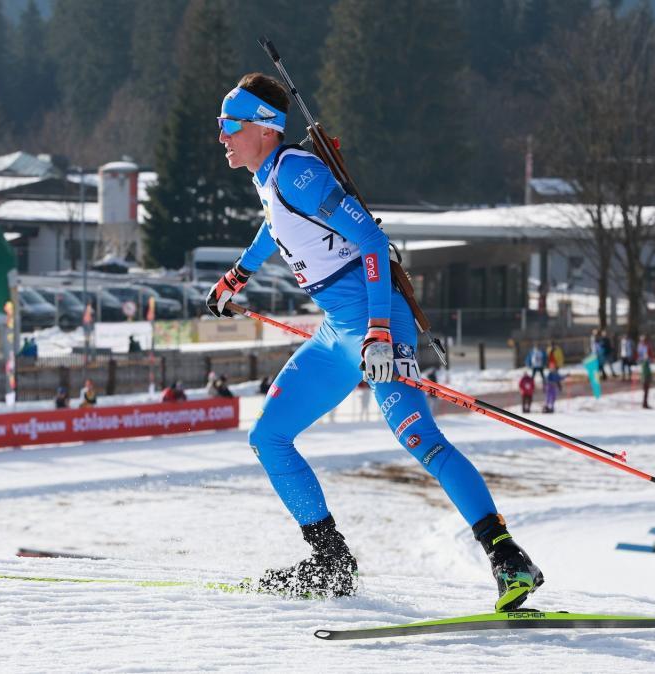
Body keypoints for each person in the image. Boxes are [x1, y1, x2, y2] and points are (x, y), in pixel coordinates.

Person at [206, 72, 542, 610]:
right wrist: (238, 276)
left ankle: (507, 557)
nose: (221, 136)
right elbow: (277, 226)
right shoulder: (269, 177)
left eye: (229, 125)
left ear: (265, 128)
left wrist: (381, 329)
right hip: (339, 333)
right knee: (269, 437)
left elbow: (370, 238)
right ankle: (330, 561)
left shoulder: (297, 172)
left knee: (418, 439)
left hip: (375, 323)